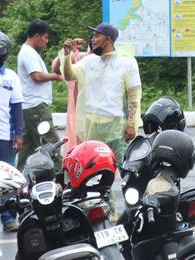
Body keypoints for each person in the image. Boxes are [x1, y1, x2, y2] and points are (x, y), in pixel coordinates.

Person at [59, 23, 142, 164]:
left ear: (108, 39)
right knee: (92, 166)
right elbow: (69, 75)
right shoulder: (89, 61)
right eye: (93, 36)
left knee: (120, 165)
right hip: (91, 125)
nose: (92, 39)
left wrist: (131, 124)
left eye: (97, 36)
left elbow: (133, 95)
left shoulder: (127, 62)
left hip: (115, 126)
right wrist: (67, 55)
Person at [17, 19, 63, 169]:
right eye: (45, 37)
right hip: (36, 107)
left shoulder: (27, 52)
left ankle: (19, 178)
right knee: (52, 145)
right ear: (36, 36)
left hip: (29, 107)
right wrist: (55, 76)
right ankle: (60, 178)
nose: (46, 41)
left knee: (28, 149)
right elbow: (36, 76)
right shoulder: (28, 53)